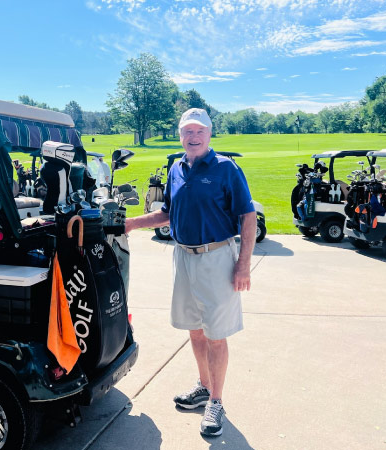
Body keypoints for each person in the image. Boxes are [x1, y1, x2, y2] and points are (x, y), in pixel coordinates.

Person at [125, 108, 257, 438]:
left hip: (217, 259)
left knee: (215, 334)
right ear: (181, 135)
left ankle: (216, 401)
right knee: (195, 330)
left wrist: (243, 265)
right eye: (187, 132)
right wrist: (131, 223)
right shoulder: (176, 168)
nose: (193, 137)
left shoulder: (227, 169)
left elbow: (248, 217)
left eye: (199, 131)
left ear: (209, 134)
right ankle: (203, 386)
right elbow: (167, 213)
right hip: (183, 257)